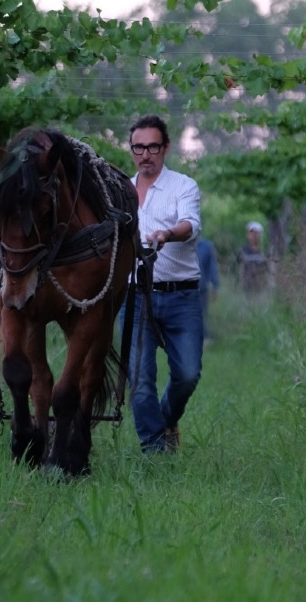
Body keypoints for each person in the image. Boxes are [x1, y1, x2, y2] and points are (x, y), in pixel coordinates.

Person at [121, 114, 203, 454]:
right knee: (140, 383)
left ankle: (167, 419)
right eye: (138, 147)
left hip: (180, 295)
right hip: (135, 298)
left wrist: (166, 234)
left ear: (165, 148)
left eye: (153, 146)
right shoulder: (120, 191)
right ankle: (155, 454)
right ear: (132, 150)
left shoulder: (183, 186)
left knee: (187, 375)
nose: (146, 154)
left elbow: (191, 224)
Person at [196, 237, 220, 340]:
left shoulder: (207, 246)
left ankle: (204, 337)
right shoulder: (181, 244)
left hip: (201, 287)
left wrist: (214, 285)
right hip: (183, 287)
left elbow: (212, 267)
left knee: (201, 313)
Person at [237, 220, 270, 294]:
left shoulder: (264, 252)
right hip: (245, 288)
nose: (254, 235)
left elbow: (267, 270)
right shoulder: (242, 251)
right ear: (247, 235)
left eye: (257, 233)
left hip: (261, 289)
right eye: (251, 232)